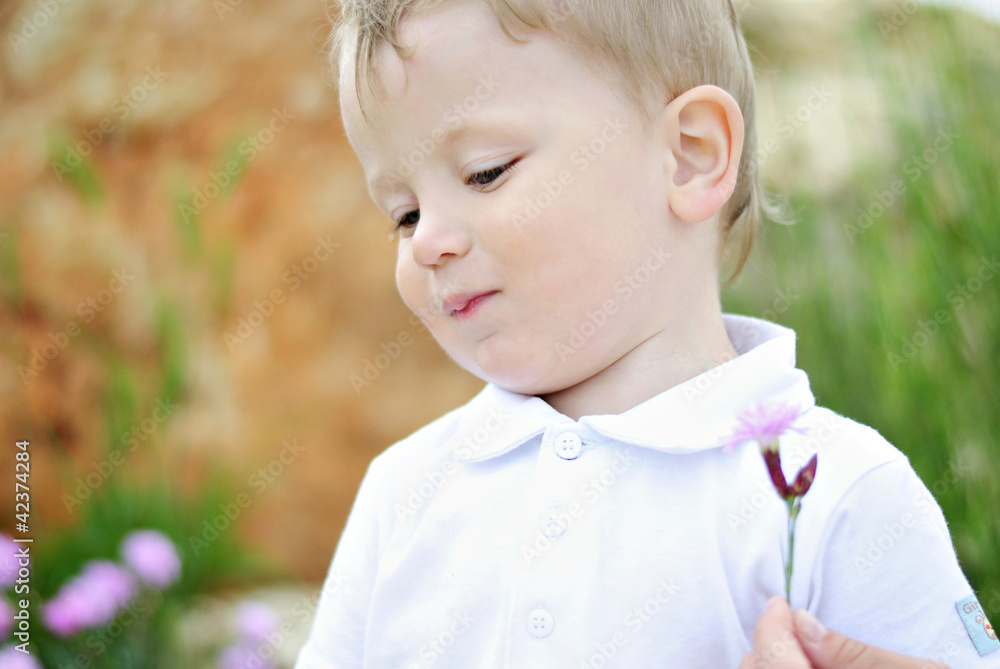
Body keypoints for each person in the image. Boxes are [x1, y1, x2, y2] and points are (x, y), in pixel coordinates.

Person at [295, 0, 1000, 667]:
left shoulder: (833, 493)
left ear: (690, 154)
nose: (427, 244)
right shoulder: (405, 494)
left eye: (486, 172)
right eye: (404, 212)